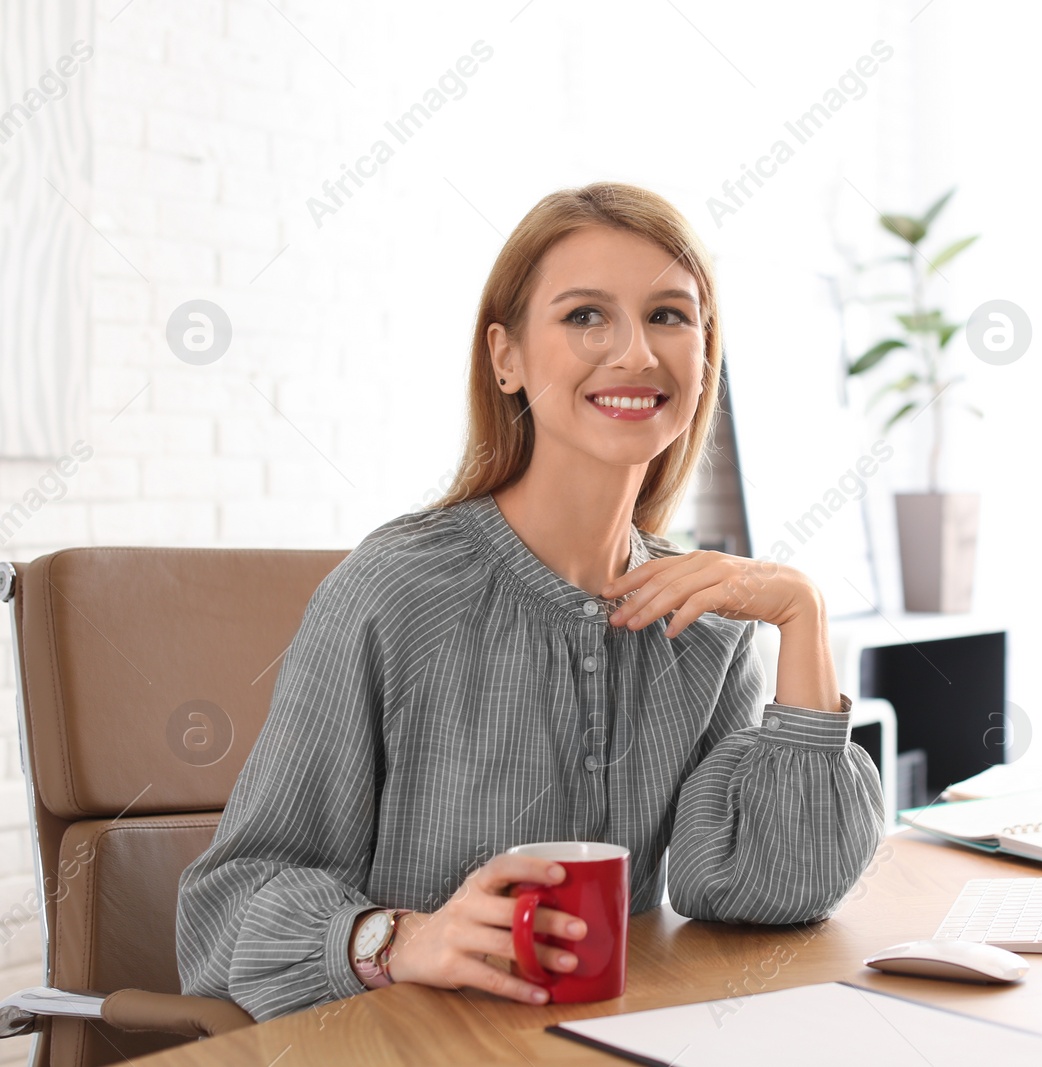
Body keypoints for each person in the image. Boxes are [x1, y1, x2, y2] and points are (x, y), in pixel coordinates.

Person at [176, 182, 884, 1022]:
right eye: (586, 315)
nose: (634, 353)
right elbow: (221, 913)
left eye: (669, 315)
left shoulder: (708, 624)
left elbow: (758, 888)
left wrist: (802, 612)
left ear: (706, 356)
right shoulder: (394, 591)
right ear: (505, 357)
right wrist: (403, 940)